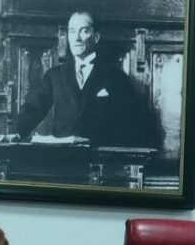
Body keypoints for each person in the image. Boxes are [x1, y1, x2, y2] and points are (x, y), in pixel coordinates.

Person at [11, 11, 158, 148]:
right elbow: (34, 107)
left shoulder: (116, 77)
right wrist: (16, 133)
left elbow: (129, 122)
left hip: (100, 157)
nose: (76, 38)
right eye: (72, 31)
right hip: (61, 156)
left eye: (84, 31)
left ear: (96, 37)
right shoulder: (54, 75)